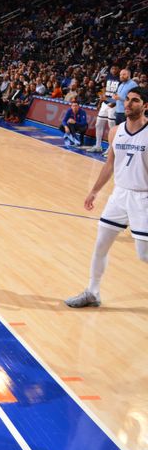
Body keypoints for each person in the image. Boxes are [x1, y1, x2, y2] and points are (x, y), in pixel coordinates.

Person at [65, 87, 148, 308]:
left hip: (143, 198)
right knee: (101, 244)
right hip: (119, 194)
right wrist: (94, 190)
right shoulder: (116, 131)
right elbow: (110, 164)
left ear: (145, 106)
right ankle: (93, 292)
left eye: (135, 101)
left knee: (143, 255)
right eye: (128, 100)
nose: (129, 104)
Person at [84, 65, 120, 153]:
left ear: (118, 70)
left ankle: (111, 148)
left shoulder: (120, 79)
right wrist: (100, 102)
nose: (113, 70)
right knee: (99, 124)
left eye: (115, 68)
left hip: (114, 104)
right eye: (112, 68)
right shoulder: (108, 76)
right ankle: (98, 145)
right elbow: (104, 88)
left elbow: (121, 92)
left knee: (112, 126)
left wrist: (114, 102)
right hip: (105, 102)